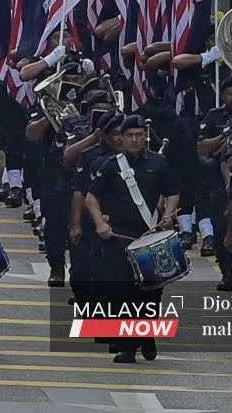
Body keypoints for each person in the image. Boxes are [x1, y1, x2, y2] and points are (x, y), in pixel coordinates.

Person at [84, 115, 179, 364]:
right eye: (130, 136)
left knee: (151, 293)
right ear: (121, 139)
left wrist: (168, 216)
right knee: (121, 292)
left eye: (139, 135)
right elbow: (91, 198)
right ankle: (127, 347)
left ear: (145, 136)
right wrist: (100, 224)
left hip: (150, 235)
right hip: (119, 238)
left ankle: (146, 334)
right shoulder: (110, 166)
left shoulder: (159, 163)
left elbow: (172, 193)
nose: (135, 139)